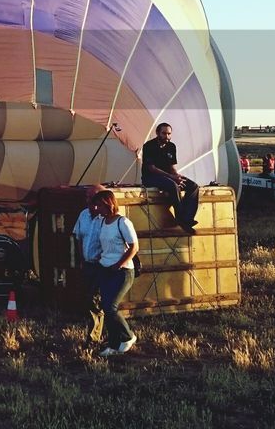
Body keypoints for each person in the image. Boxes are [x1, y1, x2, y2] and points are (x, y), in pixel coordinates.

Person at [92, 189, 138, 356]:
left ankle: (127, 337)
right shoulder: (102, 222)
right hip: (105, 268)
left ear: (108, 204)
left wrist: (119, 264)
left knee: (111, 307)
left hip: (122, 271)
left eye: (98, 205)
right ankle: (113, 344)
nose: (96, 209)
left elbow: (134, 247)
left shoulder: (123, 222)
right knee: (106, 307)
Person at [140, 123, 200, 233]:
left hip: (168, 177)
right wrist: (172, 177)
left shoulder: (171, 146)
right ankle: (180, 218)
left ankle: (187, 218)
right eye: (164, 133)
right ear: (157, 133)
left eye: (169, 134)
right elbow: (152, 168)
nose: (167, 136)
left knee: (193, 186)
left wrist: (177, 176)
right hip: (151, 177)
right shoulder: (149, 146)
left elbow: (171, 166)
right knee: (173, 185)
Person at [71, 190, 105, 344]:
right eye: (87, 197)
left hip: (101, 265)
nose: (88, 200)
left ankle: (94, 338)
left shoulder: (105, 218)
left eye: (92, 197)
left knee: (95, 301)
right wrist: (80, 258)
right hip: (87, 263)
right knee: (88, 299)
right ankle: (100, 334)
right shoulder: (83, 214)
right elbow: (78, 236)